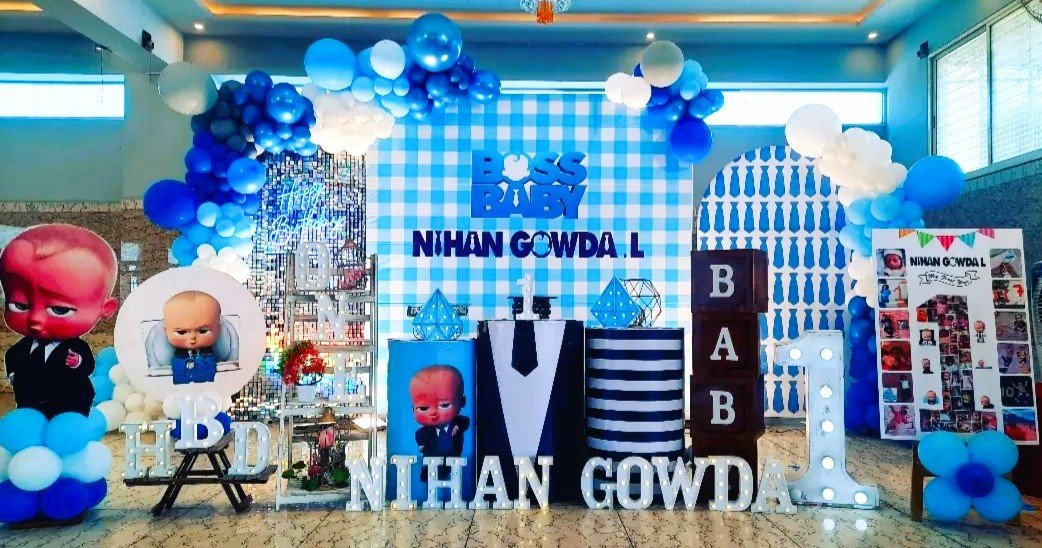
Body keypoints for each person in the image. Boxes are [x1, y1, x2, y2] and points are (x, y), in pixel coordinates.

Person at [0, 224, 118, 418]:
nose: (36, 319)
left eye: (59, 309)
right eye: (20, 305)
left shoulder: (76, 348)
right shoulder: (22, 348)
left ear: (105, 308)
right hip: (29, 403)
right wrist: (13, 373)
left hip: (68, 404)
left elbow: (87, 364)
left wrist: (77, 362)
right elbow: (13, 355)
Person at [410, 364, 469, 482]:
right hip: (432, 462)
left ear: (462, 402)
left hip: (453, 462)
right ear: (413, 409)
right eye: (423, 408)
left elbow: (465, 421)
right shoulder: (422, 432)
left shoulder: (458, 422)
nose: (433, 413)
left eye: (444, 405)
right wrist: (421, 445)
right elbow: (420, 437)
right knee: (427, 475)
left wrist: (458, 427)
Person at [163, 291, 223, 385]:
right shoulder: (177, 354)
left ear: (218, 330)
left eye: (202, 331)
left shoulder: (208, 352)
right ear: (166, 331)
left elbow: (210, 369)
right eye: (182, 332)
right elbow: (177, 370)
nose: (192, 337)